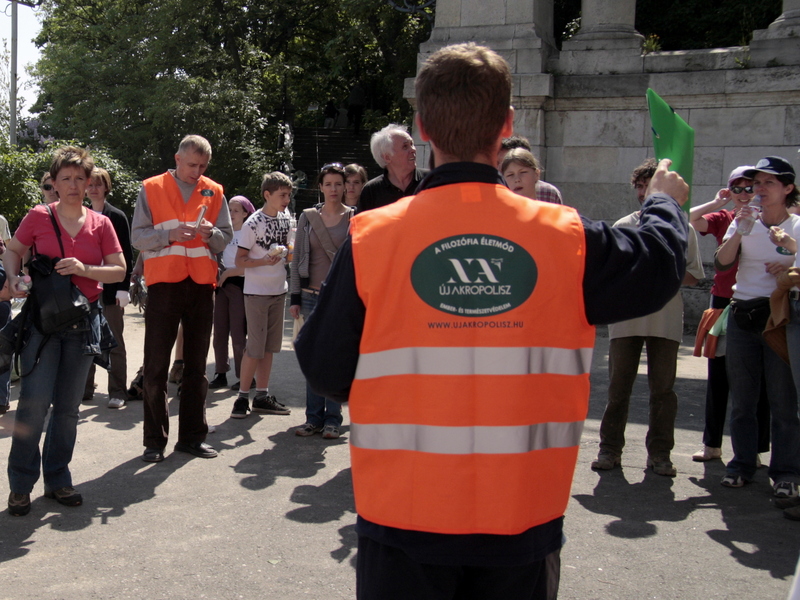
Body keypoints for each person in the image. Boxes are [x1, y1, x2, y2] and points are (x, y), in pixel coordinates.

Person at [295, 43, 690, 599]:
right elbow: (658, 264)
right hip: (520, 523)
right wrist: (666, 203)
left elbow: (323, 366)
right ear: (507, 125)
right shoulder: (564, 237)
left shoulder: (373, 237)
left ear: (421, 127)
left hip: (405, 518)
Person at [5, 146, 125, 516]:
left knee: (69, 409)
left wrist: (85, 269)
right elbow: (14, 251)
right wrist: (13, 275)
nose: (73, 185)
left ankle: (58, 478)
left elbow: (118, 269)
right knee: (33, 405)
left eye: (80, 178)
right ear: (54, 183)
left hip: (82, 325)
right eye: (66, 179)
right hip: (42, 325)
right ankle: (21, 485)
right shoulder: (38, 216)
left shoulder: (101, 223)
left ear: (89, 183)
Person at [591, 159, 704, 477]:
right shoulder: (623, 225)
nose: (643, 192)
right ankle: (609, 450)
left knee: (663, 391)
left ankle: (660, 455)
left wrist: (662, 268)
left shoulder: (683, 227)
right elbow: (609, 274)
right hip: (625, 318)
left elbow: (695, 277)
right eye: (639, 186)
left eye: (647, 185)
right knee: (618, 387)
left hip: (665, 320)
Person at [131, 135, 232, 463]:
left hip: (202, 285)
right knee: (157, 366)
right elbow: (137, 236)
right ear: (177, 158)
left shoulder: (215, 191)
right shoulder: (151, 188)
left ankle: (191, 438)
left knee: (197, 368)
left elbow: (225, 238)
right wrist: (169, 235)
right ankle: (154, 441)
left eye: (203, 166)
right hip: (164, 284)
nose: (197, 171)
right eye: (192, 165)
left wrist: (212, 235)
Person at [715, 156, 800, 498]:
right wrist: (739, 229)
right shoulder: (744, 220)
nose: (758, 190)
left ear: (787, 189)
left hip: (780, 317)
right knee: (743, 398)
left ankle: (786, 472)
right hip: (742, 313)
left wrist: (790, 261)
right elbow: (722, 263)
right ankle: (742, 464)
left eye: (768, 183)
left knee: (782, 399)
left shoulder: (796, 227)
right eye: (756, 184)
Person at [689, 166, 771, 462]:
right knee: (719, 375)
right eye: (737, 188)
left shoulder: (768, 220)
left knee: (760, 379)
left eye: (750, 188)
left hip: (760, 301)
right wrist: (717, 202)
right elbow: (689, 219)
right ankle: (712, 444)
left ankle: (757, 449)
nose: (744, 194)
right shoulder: (724, 217)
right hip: (724, 302)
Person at [289, 164, 353, 439]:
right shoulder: (307, 217)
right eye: (328, 184)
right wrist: (294, 296)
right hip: (310, 296)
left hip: (339, 297)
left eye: (339, 184)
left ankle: (333, 420)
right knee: (312, 359)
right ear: (321, 186)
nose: (334, 189)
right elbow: (296, 260)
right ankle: (312, 418)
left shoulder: (355, 217)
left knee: (336, 358)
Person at [230, 172, 293, 419]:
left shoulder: (286, 217)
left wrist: (289, 254)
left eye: (289, 195)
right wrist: (264, 260)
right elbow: (240, 261)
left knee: (269, 348)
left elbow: (288, 250)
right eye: (282, 195)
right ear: (268, 195)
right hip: (256, 294)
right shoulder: (252, 224)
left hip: (279, 290)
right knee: (254, 348)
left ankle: (262, 396)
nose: (287, 199)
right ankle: (242, 397)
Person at [82, 167, 134, 409]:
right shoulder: (79, 215)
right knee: (85, 340)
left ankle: (118, 391)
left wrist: (124, 289)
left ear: (106, 187)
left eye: (98, 184)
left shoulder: (117, 216)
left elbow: (126, 255)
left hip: (112, 290)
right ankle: (84, 389)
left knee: (114, 342)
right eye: (90, 184)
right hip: (86, 289)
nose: (93, 188)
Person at [209, 195, 255, 390]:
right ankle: (220, 373)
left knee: (238, 334)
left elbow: (250, 266)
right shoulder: (223, 233)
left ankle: (245, 377)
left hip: (239, 284)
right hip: (221, 285)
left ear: (245, 213)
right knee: (219, 332)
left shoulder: (249, 234)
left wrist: (227, 273)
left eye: (236, 210)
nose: (231, 213)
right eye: (229, 209)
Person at [357, 124, 428, 213]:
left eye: (412, 144)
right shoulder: (372, 190)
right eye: (405, 146)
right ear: (387, 157)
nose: (413, 149)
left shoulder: (431, 180)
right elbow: (363, 225)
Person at [498, 136, 564, 205]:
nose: (517, 179)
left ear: (536, 174)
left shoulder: (549, 194)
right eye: (510, 174)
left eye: (523, 172)